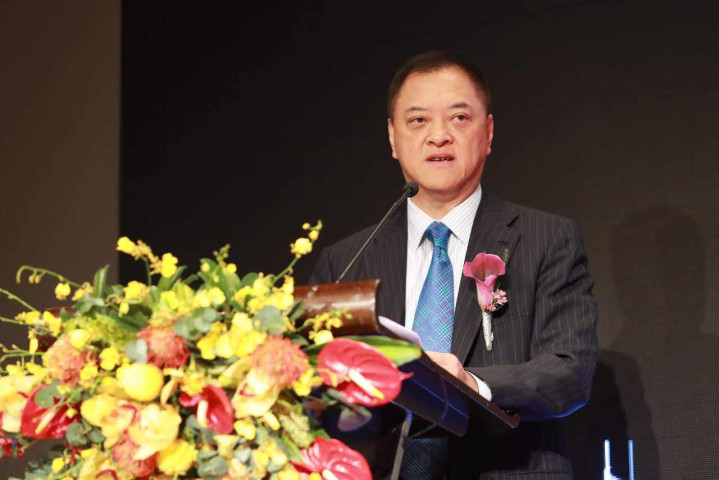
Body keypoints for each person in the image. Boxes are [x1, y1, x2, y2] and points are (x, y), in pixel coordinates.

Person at [310, 51, 598, 480]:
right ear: (392, 138)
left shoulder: (546, 239)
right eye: (418, 120)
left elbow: (568, 370)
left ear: (489, 132)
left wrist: (471, 384)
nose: (439, 136)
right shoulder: (346, 260)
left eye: (459, 118)